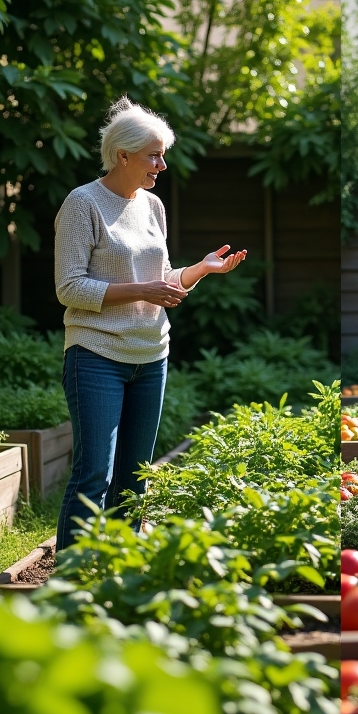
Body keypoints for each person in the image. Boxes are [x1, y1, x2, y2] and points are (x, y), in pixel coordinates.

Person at [53, 96, 246, 549]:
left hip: (150, 356)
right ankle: (73, 583)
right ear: (122, 155)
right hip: (96, 355)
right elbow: (70, 288)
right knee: (93, 473)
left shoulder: (153, 206)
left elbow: (161, 281)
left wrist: (199, 270)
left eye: (162, 155)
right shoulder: (83, 204)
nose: (161, 165)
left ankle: (123, 570)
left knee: (135, 477)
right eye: (153, 155)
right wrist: (144, 290)